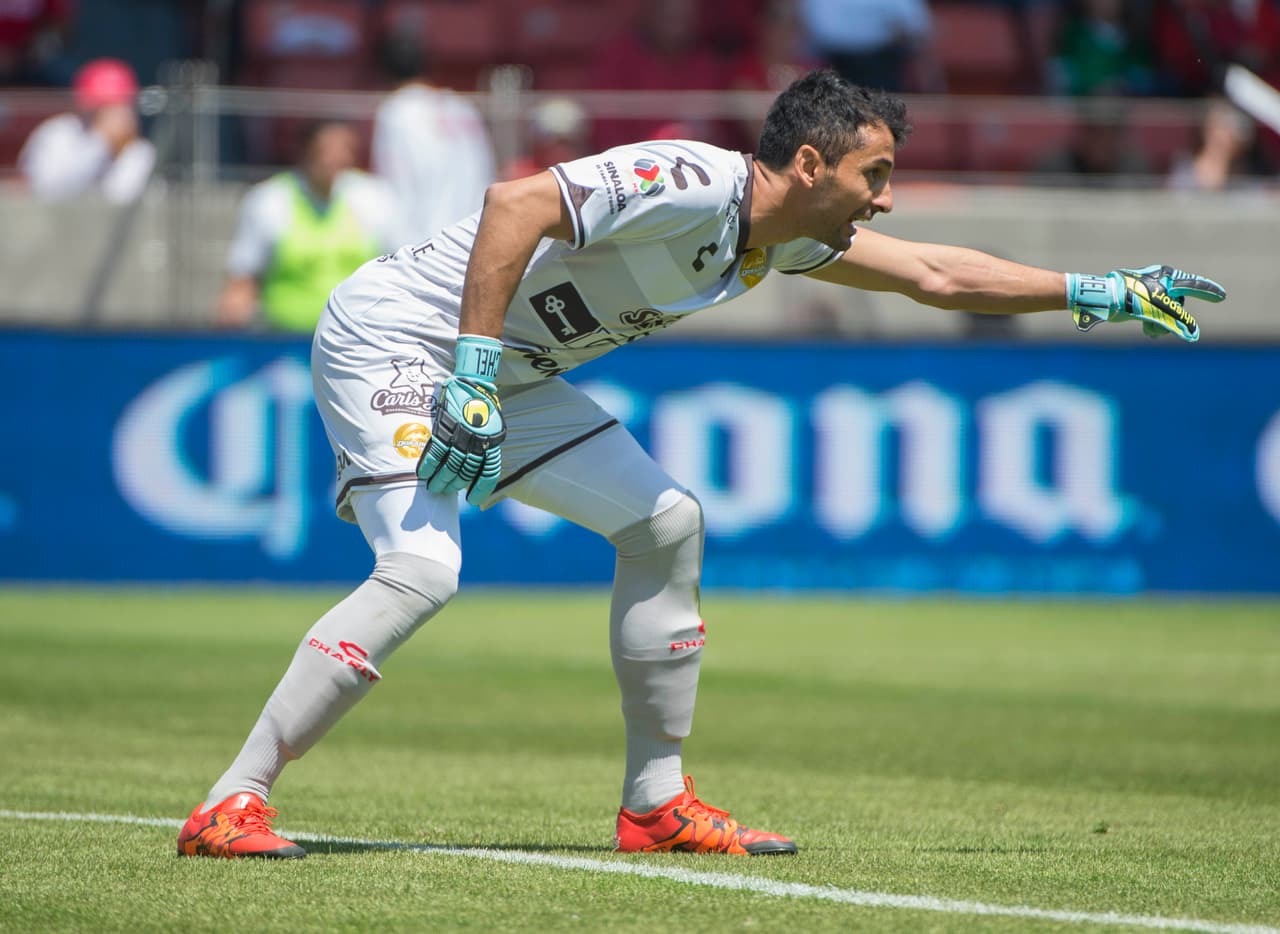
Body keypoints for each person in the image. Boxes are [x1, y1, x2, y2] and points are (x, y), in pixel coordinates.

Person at [176, 69, 1226, 859]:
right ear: (809, 164)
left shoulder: (782, 238)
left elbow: (938, 275)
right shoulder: (684, 179)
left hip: (517, 372)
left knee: (666, 524)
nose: (886, 200)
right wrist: (475, 375)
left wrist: (1097, 290)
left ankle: (654, 803)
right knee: (424, 569)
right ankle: (234, 797)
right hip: (404, 342)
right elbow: (512, 206)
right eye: (875, 174)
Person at [217, 120, 396, 333]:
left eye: (345, 150)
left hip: (357, 338)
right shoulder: (269, 200)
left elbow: (396, 271)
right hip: (284, 339)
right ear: (305, 153)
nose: (337, 159)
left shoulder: (374, 197)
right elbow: (243, 278)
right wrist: (234, 306)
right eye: (326, 151)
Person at [370, 28, 497, 247]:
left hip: (422, 249)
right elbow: (488, 174)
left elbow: (393, 186)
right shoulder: (464, 108)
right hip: (473, 242)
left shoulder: (395, 112)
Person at [18, 57, 155, 204]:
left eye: (119, 107)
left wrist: (115, 147)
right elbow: (45, 189)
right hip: (53, 223)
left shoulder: (139, 150)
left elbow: (125, 199)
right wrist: (101, 142)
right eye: (101, 108)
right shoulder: (57, 133)